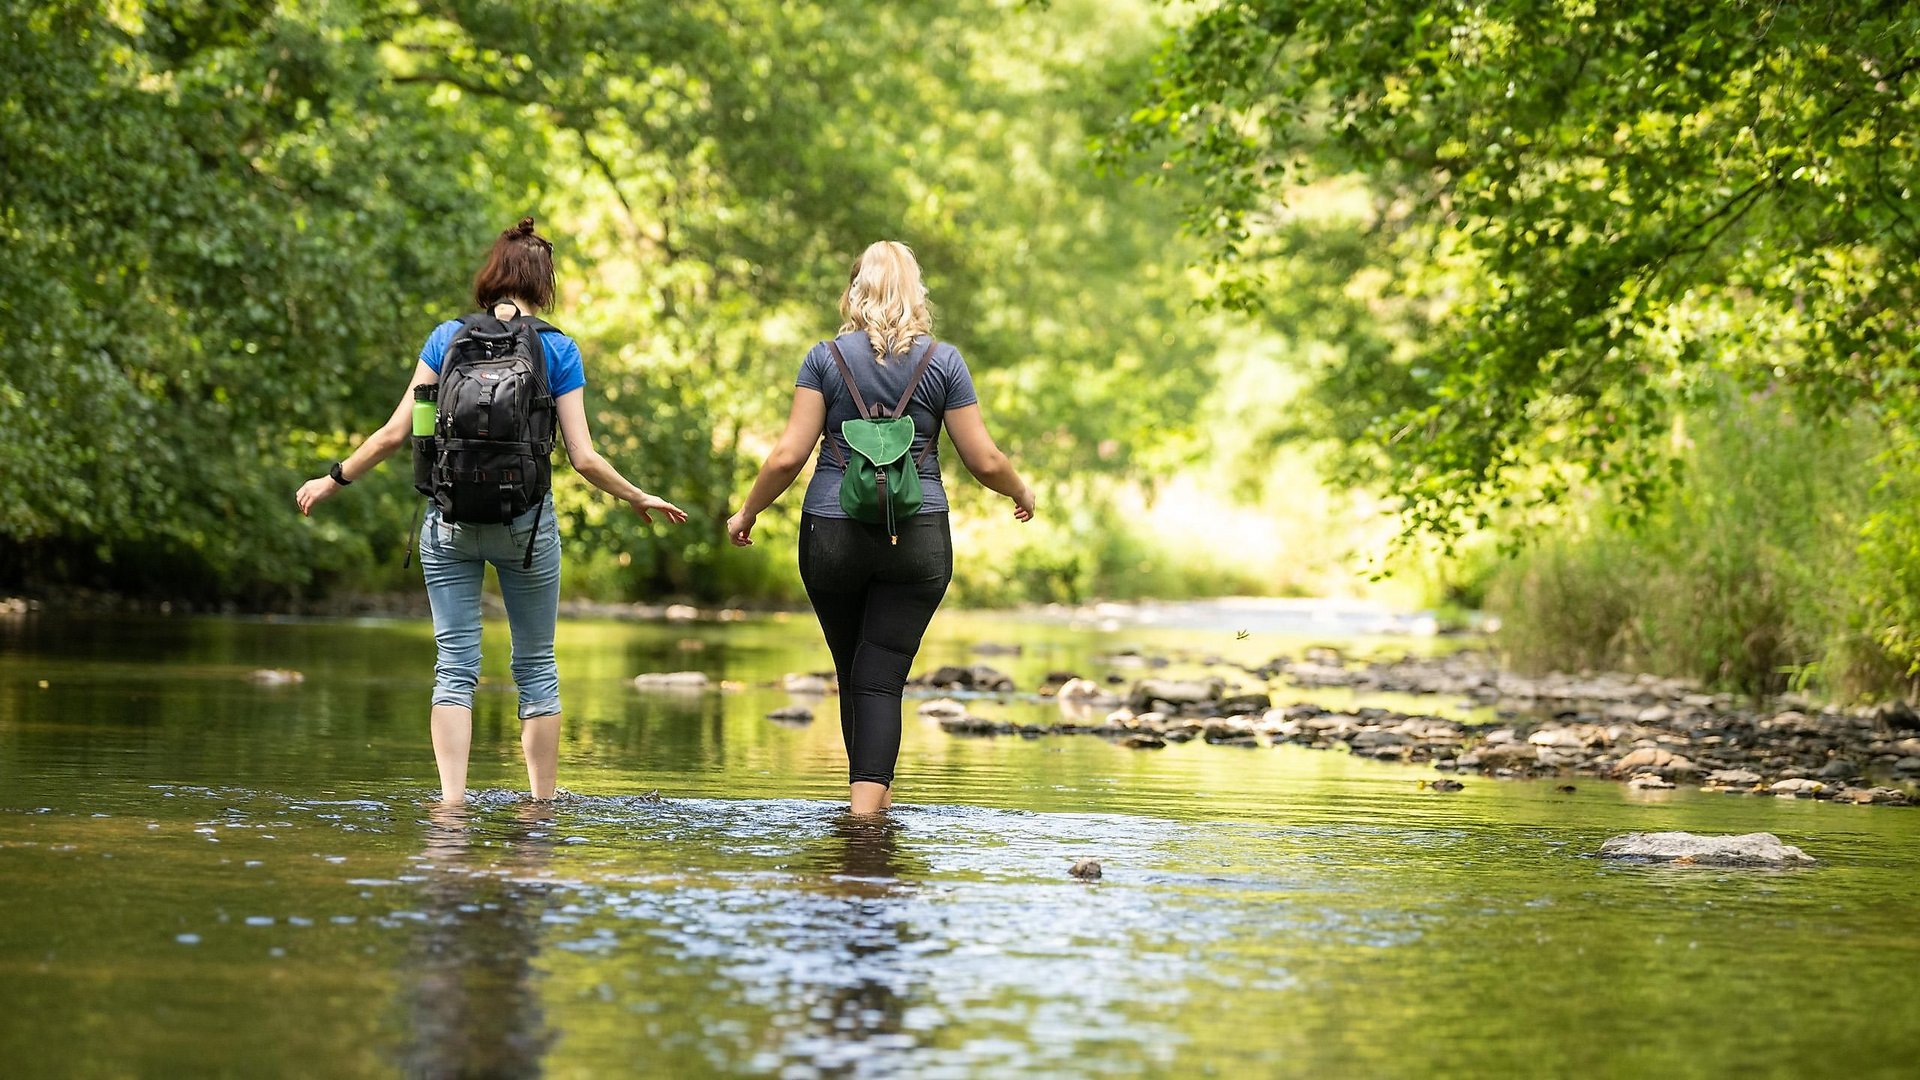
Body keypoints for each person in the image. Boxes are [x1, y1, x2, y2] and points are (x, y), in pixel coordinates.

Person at [296, 216, 687, 804]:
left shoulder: (446, 339)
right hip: (526, 527)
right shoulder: (556, 348)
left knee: (454, 664)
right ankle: (541, 807)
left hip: (448, 520)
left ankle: (451, 804)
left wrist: (332, 479)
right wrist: (636, 495)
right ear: (543, 284)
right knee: (535, 666)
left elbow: (396, 434)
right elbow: (582, 457)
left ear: (492, 276)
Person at [727, 241, 1034, 815]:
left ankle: (864, 817)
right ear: (918, 295)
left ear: (853, 293)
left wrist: (748, 513)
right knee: (879, 676)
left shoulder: (824, 359)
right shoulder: (944, 362)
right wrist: (1020, 490)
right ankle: (869, 819)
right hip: (916, 539)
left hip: (830, 535)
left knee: (856, 672)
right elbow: (985, 460)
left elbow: (787, 457)